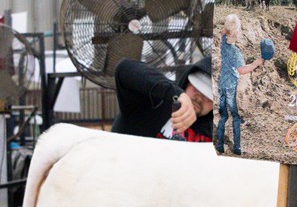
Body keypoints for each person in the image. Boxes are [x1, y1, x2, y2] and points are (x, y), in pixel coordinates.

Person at [112, 57, 214, 142]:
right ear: (186, 82)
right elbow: (125, 68)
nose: (199, 98)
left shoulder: (213, 134)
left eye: (209, 96)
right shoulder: (154, 100)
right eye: (196, 88)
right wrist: (176, 94)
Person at [216, 14, 264, 155]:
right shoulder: (236, 52)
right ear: (236, 32)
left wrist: (228, 27)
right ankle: (236, 146)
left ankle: (220, 144)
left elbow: (223, 32)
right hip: (231, 87)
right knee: (235, 116)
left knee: (223, 115)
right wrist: (256, 63)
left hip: (221, 84)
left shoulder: (223, 42)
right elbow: (242, 70)